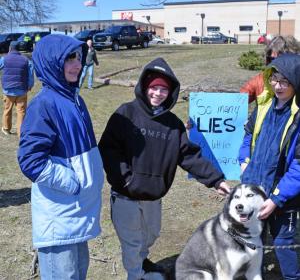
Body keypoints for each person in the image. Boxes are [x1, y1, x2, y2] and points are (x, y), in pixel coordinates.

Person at [98, 57, 231, 280]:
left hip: (154, 195)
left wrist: (216, 180)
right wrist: (125, 179)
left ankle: (141, 264)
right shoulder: (125, 114)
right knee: (131, 241)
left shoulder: (173, 125)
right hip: (125, 195)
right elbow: (108, 149)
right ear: (144, 87)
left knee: (150, 235)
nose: (158, 93)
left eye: (163, 89)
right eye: (154, 88)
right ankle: (135, 274)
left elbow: (189, 156)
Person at [18, 34, 104, 280]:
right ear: (51, 62)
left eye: (78, 57)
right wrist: (71, 182)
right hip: (60, 214)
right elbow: (30, 160)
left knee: (78, 273)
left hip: (78, 212)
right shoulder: (43, 104)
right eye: (69, 58)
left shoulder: (75, 99)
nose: (77, 64)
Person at [239, 53, 300, 279]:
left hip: (283, 196)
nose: (278, 85)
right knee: (252, 239)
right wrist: (244, 161)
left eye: (285, 81)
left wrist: (276, 199)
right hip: (253, 187)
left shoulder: (298, 116)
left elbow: (298, 166)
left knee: (283, 242)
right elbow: (247, 136)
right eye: (274, 79)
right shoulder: (264, 105)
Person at [240, 35, 300, 103]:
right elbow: (239, 99)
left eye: (280, 60)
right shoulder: (260, 80)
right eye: (271, 59)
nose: (275, 64)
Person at [0, 41, 34, 137]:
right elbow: (31, 73)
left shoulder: (4, 59)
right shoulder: (26, 60)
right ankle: (21, 132)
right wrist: (30, 85)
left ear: (10, 48)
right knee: (21, 111)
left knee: (7, 109)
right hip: (22, 89)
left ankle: (6, 128)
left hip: (8, 89)